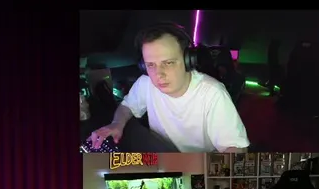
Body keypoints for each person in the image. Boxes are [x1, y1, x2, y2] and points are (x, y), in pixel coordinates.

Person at [88, 22, 249, 153]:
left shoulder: (213, 93)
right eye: (151, 65)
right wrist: (117, 123)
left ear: (188, 60)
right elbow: (127, 107)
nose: (159, 74)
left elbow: (236, 148)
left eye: (169, 63)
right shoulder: (146, 83)